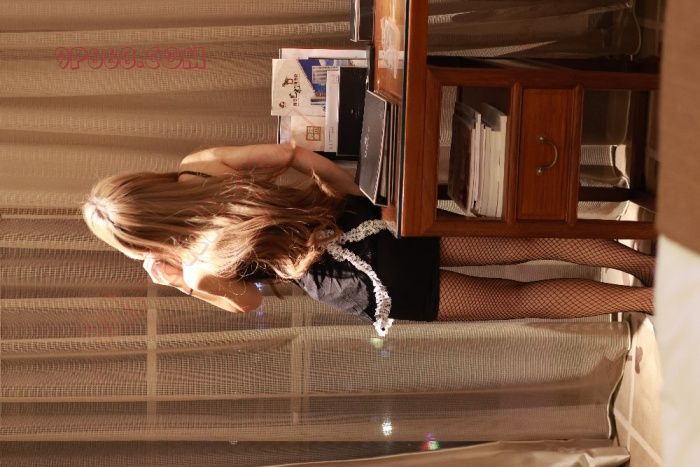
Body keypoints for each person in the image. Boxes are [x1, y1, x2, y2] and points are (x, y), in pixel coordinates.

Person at [82, 143, 655, 336]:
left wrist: (184, 284)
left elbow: (251, 303)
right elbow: (295, 155)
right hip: (362, 223)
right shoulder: (200, 166)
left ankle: (651, 299)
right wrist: (361, 200)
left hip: (355, 280)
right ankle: (644, 266)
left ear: (144, 238)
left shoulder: (199, 267)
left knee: (516, 300)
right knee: (526, 242)